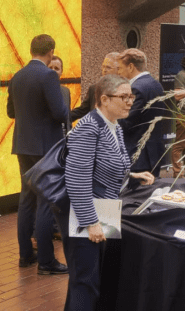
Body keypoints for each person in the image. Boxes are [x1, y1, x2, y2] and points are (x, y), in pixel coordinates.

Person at [54, 74, 155, 311]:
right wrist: (91, 222)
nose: (130, 101)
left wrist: (131, 175)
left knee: (92, 278)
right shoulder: (89, 128)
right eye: (124, 96)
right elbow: (77, 179)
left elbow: (107, 163)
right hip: (85, 213)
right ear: (104, 99)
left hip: (105, 208)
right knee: (85, 281)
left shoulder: (113, 124)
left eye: (131, 96)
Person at [7, 34, 69, 274]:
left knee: (27, 200)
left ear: (31, 49)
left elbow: (11, 112)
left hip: (23, 145)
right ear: (51, 51)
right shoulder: (49, 76)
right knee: (45, 201)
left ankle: (26, 255)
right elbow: (59, 112)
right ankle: (46, 261)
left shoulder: (17, 77)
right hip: (47, 147)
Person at [117, 49, 166, 177]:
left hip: (138, 154)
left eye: (120, 68)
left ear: (131, 67)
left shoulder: (136, 88)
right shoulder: (156, 84)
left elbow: (127, 122)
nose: (118, 72)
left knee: (136, 194)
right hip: (154, 151)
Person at [70, 52, 119, 122]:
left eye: (108, 67)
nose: (104, 70)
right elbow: (82, 110)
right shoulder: (94, 88)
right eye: (103, 67)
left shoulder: (125, 90)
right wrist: (63, 117)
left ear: (118, 70)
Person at [49, 55, 72, 133]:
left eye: (56, 68)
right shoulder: (38, 90)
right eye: (50, 68)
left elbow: (68, 118)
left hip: (62, 138)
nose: (53, 71)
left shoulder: (66, 91)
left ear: (61, 71)